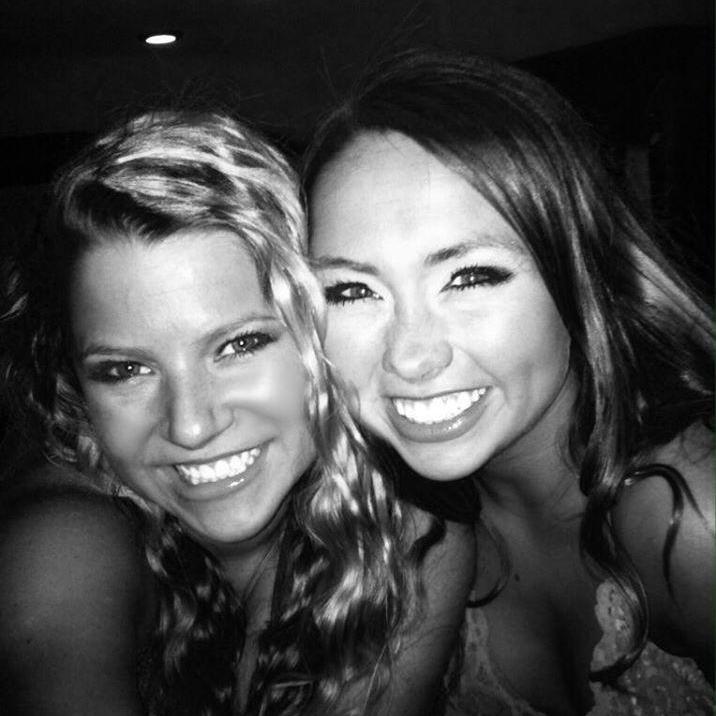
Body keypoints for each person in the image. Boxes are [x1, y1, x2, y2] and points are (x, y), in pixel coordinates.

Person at [0, 110, 474, 715]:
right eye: (125, 370)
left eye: (240, 345)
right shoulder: (62, 537)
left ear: (320, 333)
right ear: (75, 384)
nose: (191, 426)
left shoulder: (410, 537)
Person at [303, 49, 714, 715]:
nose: (411, 356)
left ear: (580, 275)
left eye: (470, 277)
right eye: (351, 290)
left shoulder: (693, 516)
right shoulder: (392, 535)